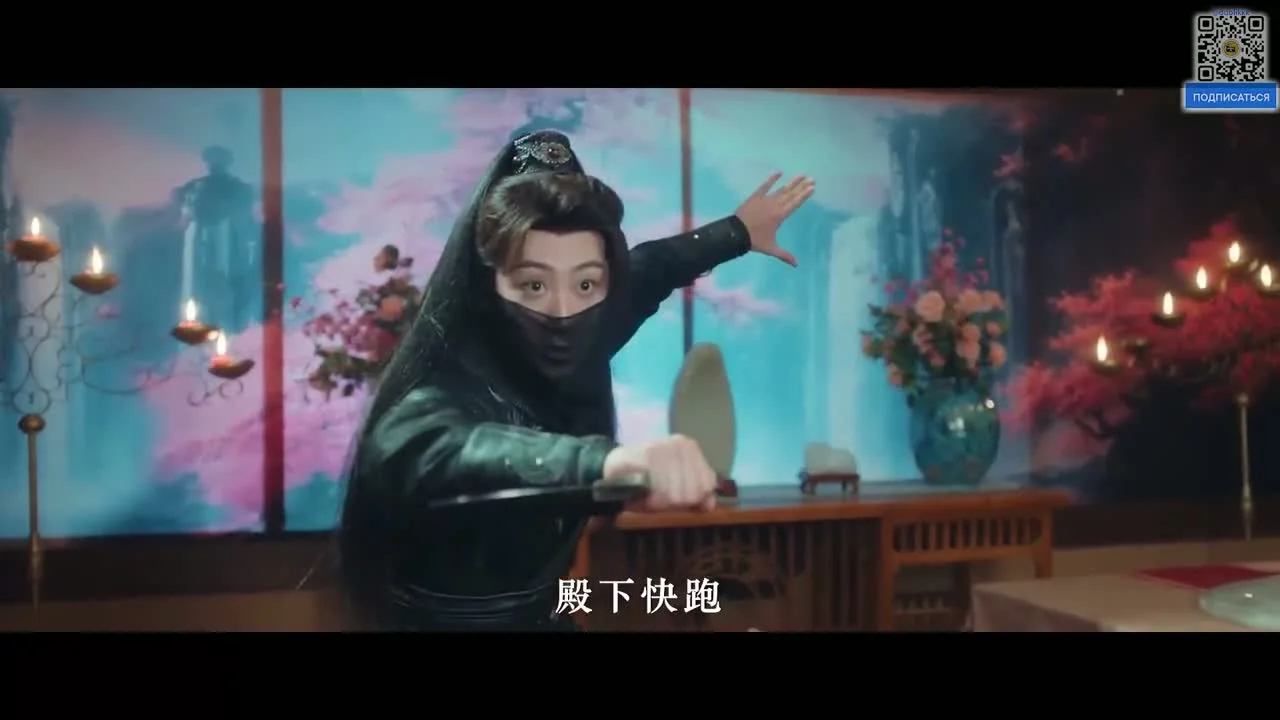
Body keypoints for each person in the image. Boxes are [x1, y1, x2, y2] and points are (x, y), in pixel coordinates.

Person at [338, 130, 814, 631]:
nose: (562, 309)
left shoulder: (593, 317)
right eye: (533, 283)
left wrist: (738, 231)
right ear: (488, 284)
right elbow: (424, 441)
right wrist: (607, 463)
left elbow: (656, 265)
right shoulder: (447, 380)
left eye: (586, 281)